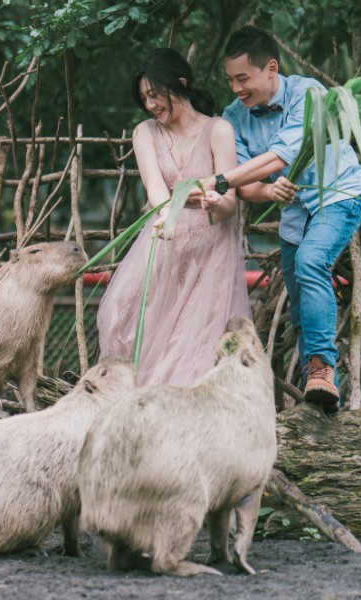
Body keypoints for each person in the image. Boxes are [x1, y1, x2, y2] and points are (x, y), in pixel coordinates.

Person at [193, 25, 361, 415]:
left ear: (271, 68)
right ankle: (320, 390)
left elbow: (275, 160)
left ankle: (323, 368)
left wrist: (219, 180)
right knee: (300, 295)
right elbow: (246, 185)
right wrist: (266, 191)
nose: (236, 87)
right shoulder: (234, 117)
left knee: (310, 263)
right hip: (295, 210)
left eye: (243, 78)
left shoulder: (308, 94)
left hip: (337, 195)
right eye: (230, 80)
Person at [96, 47, 251, 387]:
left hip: (211, 247)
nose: (150, 104)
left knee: (190, 341)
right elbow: (156, 191)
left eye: (154, 94)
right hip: (164, 236)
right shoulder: (145, 132)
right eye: (144, 98)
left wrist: (215, 201)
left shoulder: (219, 129)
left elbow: (230, 201)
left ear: (180, 83)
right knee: (119, 314)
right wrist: (168, 216)